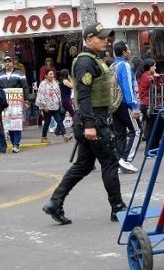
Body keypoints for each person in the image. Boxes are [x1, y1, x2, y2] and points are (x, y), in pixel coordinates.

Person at [42, 24, 126, 225]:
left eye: (106, 37)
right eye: (101, 37)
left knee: (84, 165)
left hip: (92, 119)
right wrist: (90, 124)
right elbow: (85, 95)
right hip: (93, 120)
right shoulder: (85, 62)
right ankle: (118, 207)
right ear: (88, 40)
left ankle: (55, 202)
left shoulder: (94, 59)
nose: (106, 40)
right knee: (109, 162)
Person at [111, 41, 141, 172]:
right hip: (125, 104)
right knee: (137, 131)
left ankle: (119, 161)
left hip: (114, 104)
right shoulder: (125, 65)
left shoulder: (113, 65)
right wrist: (134, 106)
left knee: (120, 133)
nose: (130, 52)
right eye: (128, 50)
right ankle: (126, 160)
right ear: (124, 52)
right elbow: (128, 87)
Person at [0, 56, 28, 152]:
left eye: (9, 61)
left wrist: (26, 100)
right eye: (6, 62)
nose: (7, 63)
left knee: (16, 123)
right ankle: (14, 143)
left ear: (12, 63)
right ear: (3, 63)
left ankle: (17, 144)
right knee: (8, 124)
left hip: (17, 103)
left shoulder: (19, 74)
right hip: (4, 104)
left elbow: (25, 87)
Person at [36, 69, 67, 143]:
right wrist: (44, 105)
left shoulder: (55, 82)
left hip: (55, 105)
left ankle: (65, 135)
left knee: (59, 120)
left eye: (52, 74)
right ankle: (44, 137)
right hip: (47, 106)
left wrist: (60, 103)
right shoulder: (43, 84)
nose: (52, 76)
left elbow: (58, 93)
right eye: (50, 74)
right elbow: (40, 95)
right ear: (46, 75)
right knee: (47, 122)